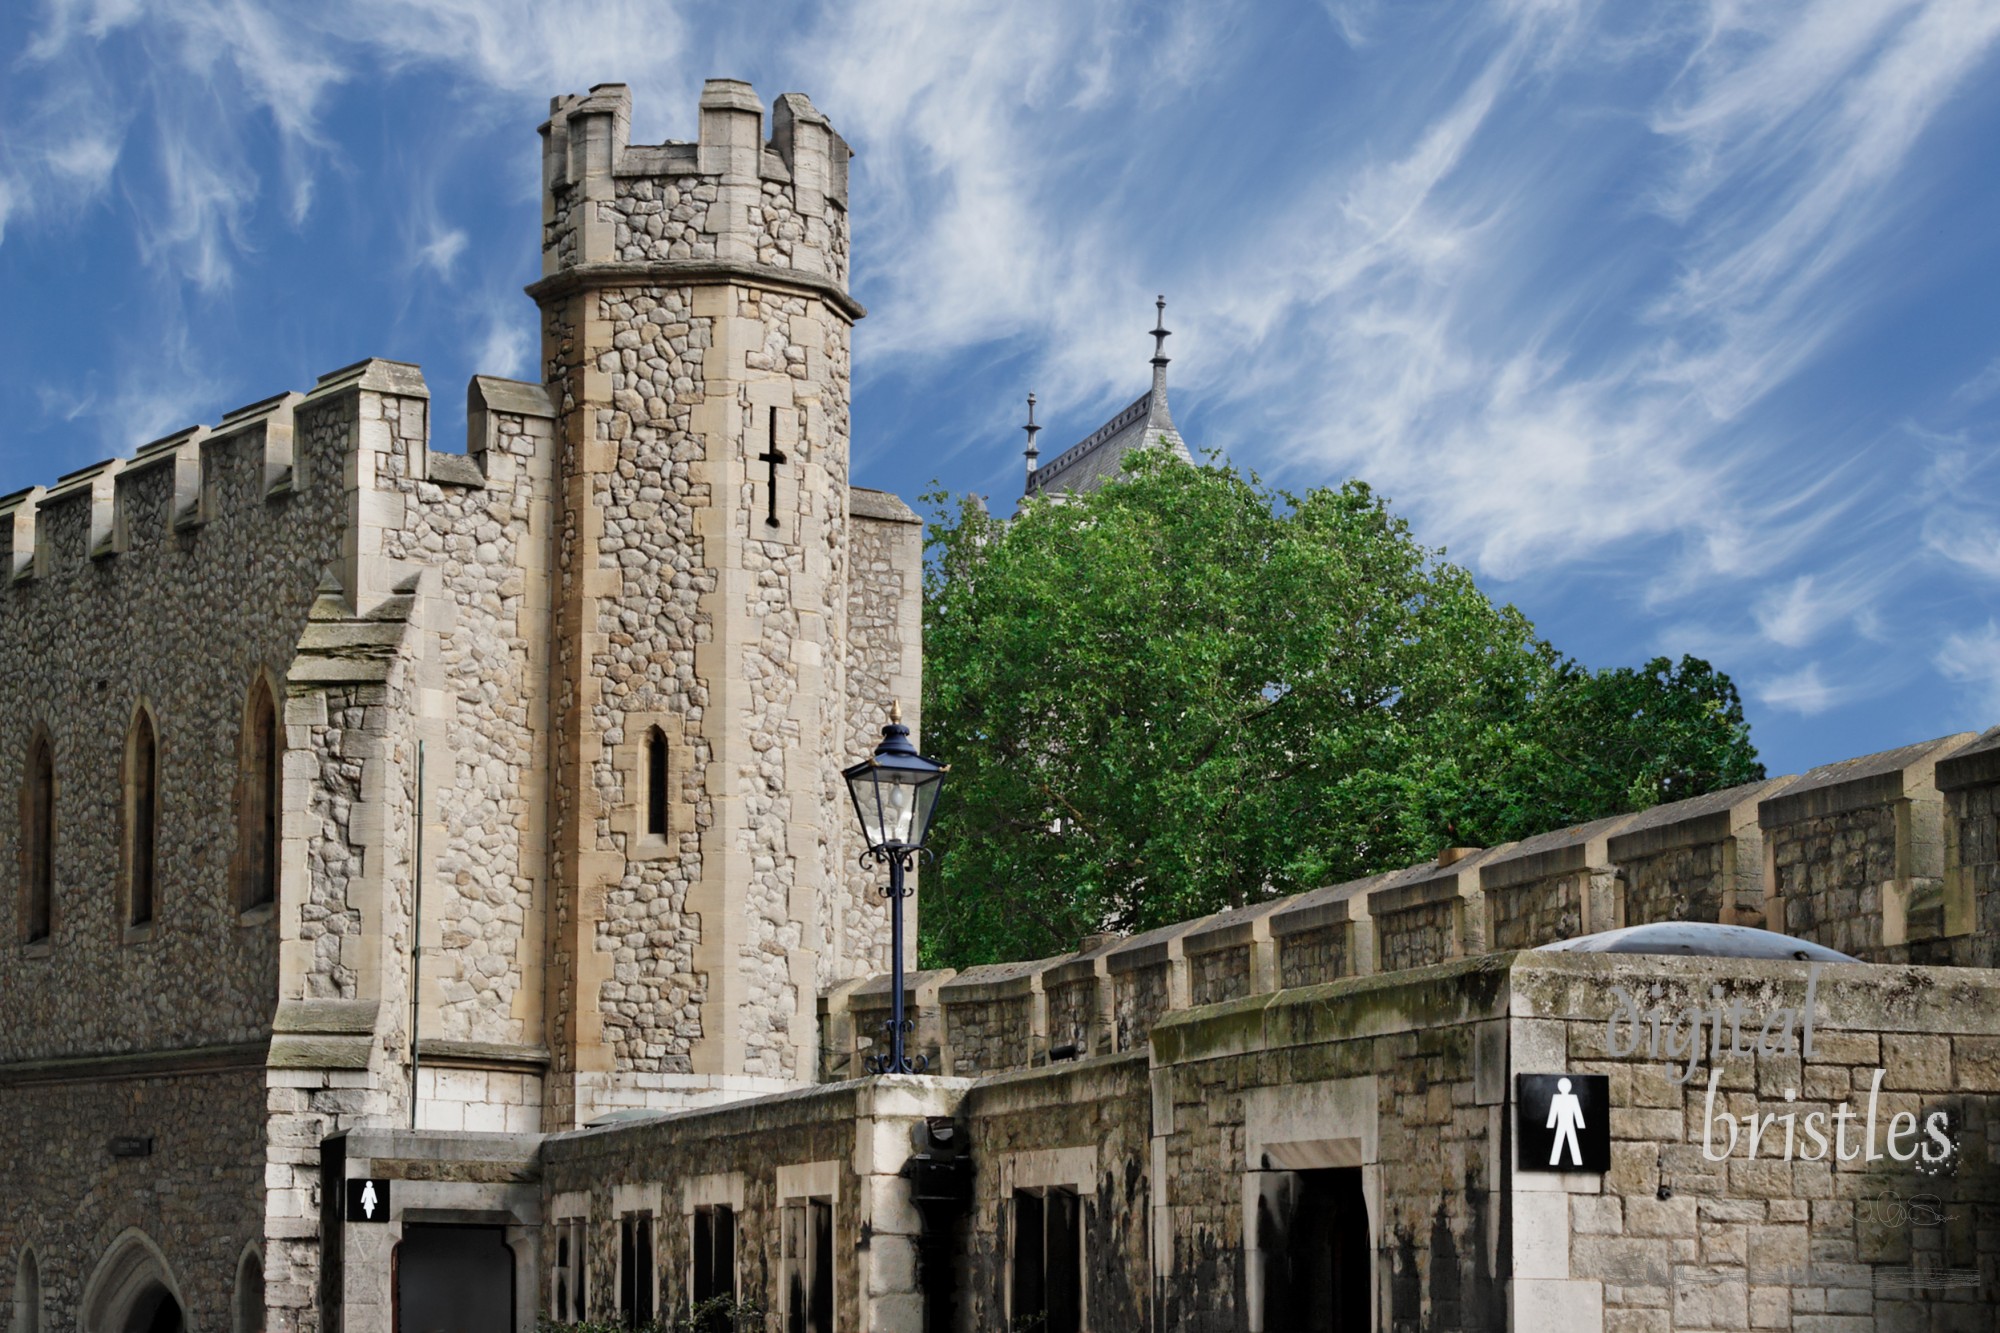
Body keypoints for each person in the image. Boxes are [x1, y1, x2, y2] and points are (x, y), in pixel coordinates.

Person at [1548, 1077, 1585, 1167]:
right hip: (1564, 1123)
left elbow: (1577, 1111)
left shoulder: (1571, 1098)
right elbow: (1553, 1111)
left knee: (1566, 1141)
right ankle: (1556, 1161)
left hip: (1567, 1123)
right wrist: (1551, 1123)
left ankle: (1575, 1161)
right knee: (1564, 1141)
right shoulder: (1559, 1098)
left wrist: (1580, 1124)